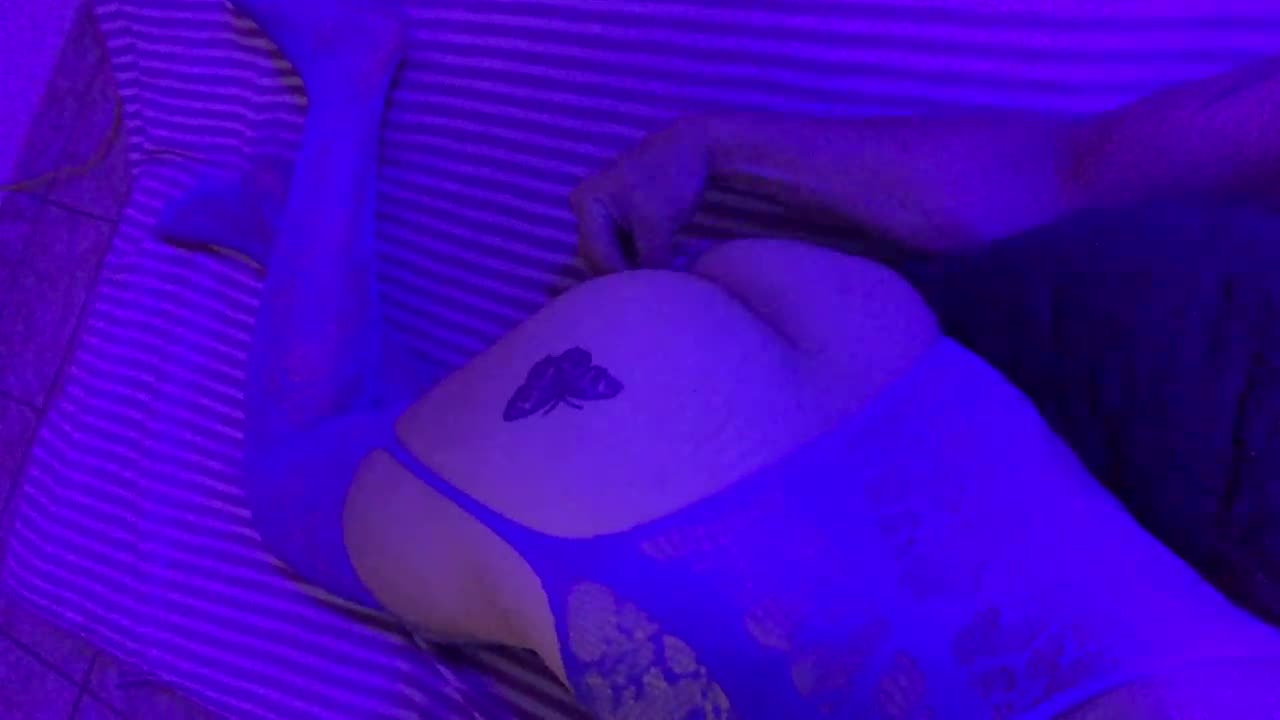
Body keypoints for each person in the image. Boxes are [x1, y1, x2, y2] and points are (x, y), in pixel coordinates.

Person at [157, 1, 1280, 718]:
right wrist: (711, 144)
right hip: (702, 483)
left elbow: (1083, 172)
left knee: (423, 467)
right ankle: (346, 93)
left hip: (871, 344)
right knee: (301, 484)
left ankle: (309, 242)